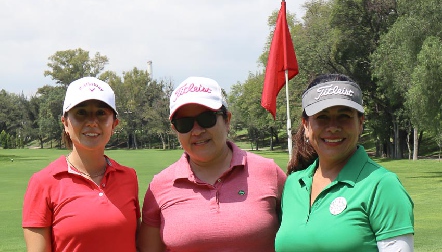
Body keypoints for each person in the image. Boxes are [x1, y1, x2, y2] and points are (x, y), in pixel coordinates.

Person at [137, 76, 287, 252]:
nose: (197, 131)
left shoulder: (268, 172)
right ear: (175, 130)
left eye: (207, 119)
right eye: (184, 123)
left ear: (227, 120)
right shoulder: (159, 186)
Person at [275, 74, 414, 251]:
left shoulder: (383, 186)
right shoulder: (293, 184)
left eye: (344, 116)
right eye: (322, 117)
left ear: (360, 123)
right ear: (306, 126)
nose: (333, 126)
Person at [22, 77, 140, 251]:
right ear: (65, 123)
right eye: (81, 113)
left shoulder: (128, 177)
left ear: (114, 124)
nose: (92, 122)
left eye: (101, 113)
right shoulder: (43, 182)